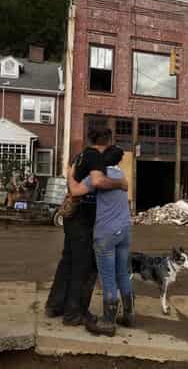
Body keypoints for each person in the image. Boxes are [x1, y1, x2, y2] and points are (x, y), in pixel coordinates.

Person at [45, 128, 128, 326]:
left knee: (68, 261)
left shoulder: (80, 156)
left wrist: (70, 178)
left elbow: (71, 177)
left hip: (73, 217)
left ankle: (55, 305)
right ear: (107, 142)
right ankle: (75, 314)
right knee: (85, 267)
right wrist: (120, 184)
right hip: (84, 218)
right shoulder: (95, 157)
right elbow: (97, 181)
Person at [68, 145, 134, 337]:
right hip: (125, 231)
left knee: (107, 277)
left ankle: (108, 322)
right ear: (119, 160)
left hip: (106, 234)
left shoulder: (96, 177)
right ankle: (129, 315)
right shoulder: (121, 176)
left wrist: (71, 172)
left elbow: (74, 192)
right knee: (122, 273)